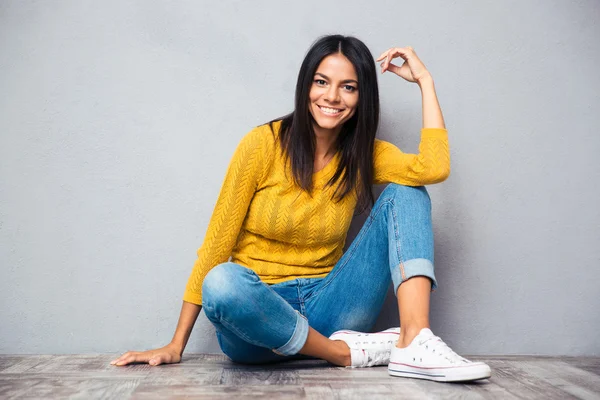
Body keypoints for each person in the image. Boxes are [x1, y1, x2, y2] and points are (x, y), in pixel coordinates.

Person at [111, 35, 491, 383]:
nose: (332, 97)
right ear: (306, 85)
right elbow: (214, 246)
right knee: (221, 281)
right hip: (258, 324)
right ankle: (340, 355)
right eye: (322, 82)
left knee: (410, 192)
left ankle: (413, 341)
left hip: (331, 306)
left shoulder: (362, 155)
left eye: (349, 87)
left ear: (362, 98)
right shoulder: (262, 145)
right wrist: (176, 344)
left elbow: (433, 168)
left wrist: (425, 80)